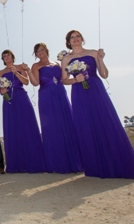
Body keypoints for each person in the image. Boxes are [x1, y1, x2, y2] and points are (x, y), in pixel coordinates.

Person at [61, 30, 134, 179]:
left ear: (82, 39)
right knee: (86, 125)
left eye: (78, 36)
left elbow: (104, 74)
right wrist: (75, 80)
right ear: (68, 41)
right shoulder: (66, 59)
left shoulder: (93, 53)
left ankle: (120, 164)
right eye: (72, 37)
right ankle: (95, 166)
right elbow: (64, 80)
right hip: (78, 93)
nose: (75, 39)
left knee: (106, 121)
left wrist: (101, 59)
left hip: (96, 89)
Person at [24, 43, 83, 173]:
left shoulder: (57, 63)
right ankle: (57, 162)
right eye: (37, 51)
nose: (40, 52)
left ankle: (73, 161)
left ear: (46, 50)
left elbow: (64, 78)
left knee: (65, 123)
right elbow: (35, 83)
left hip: (60, 94)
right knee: (52, 127)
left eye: (42, 50)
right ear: (36, 54)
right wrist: (28, 71)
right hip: (46, 96)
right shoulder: (36, 66)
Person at [0, 50, 47, 173]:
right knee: (12, 128)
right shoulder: (1, 72)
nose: (6, 57)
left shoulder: (20, 67)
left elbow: (26, 82)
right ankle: (16, 163)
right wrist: (2, 91)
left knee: (27, 126)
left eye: (8, 55)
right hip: (8, 101)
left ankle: (34, 161)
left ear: (12, 56)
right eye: (4, 56)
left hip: (21, 97)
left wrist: (17, 72)